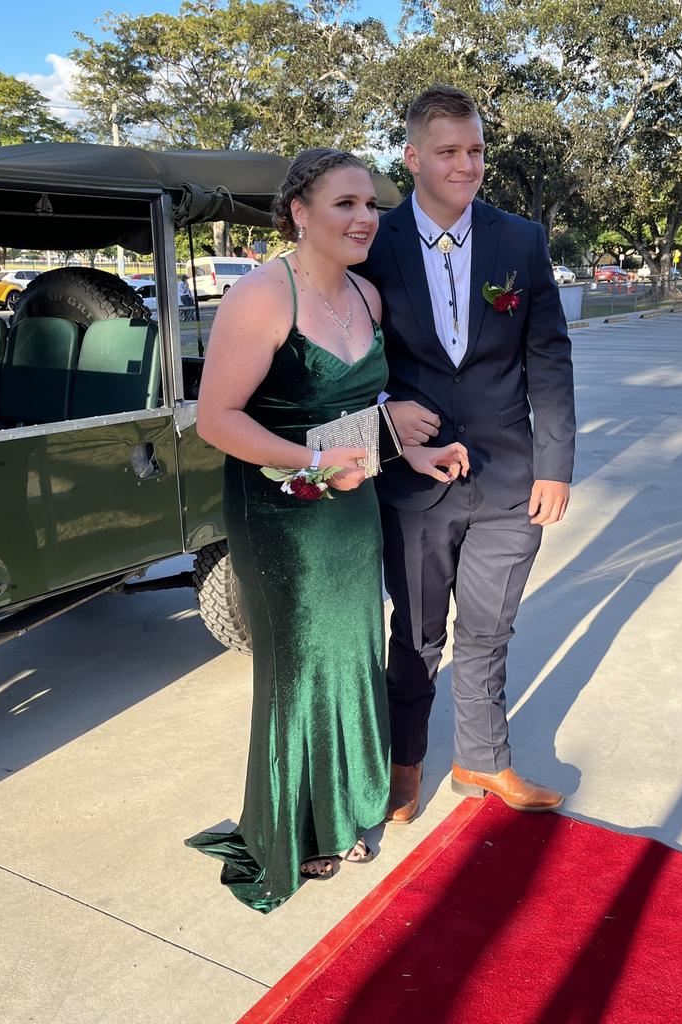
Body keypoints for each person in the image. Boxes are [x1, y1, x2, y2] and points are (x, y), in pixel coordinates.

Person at [185, 147, 468, 913]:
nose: (364, 218)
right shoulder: (259, 297)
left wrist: (415, 446)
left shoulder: (370, 300)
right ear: (298, 212)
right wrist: (316, 458)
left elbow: (362, 423)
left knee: (350, 650)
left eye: (371, 204)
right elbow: (218, 420)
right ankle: (297, 828)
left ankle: (345, 811)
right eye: (344, 203)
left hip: (349, 508)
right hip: (279, 512)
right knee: (301, 662)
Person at [355, 85, 576, 823]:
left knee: (489, 630)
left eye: (476, 150)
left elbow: (549, 357)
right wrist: (386, 419)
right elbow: (346, 360)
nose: (466, 164)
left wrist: (555, 463)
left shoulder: (520, 240)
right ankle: (404, 765)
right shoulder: (370, 243)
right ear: (412, 157)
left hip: (512, 479)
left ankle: (482, 762)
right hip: (414, 482)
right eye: (448, 151)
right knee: (415, 636)